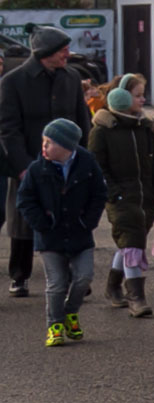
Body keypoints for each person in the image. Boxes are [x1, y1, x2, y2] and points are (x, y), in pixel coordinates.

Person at [0, 27, 91, 299]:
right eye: (62, 49)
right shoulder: (13, 81)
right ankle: (19, 275)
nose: (67, 54)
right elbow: (7, 129)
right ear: (45, 53)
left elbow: (81, 121)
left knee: (68, 218)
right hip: (28, 162)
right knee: (24, 219)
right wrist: (23, 166)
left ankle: (75, 279)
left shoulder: (72, 77)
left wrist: (83, 159)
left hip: (66, 164)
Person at [16, 118, 107, 347]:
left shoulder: (87, 164)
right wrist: (41, 223)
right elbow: (25, 200)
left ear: (66, 146)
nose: (44, 147)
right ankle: (55, 324)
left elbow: (99, 194)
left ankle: (70, 312)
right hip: (50, 236)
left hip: (80, 233)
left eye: (49, 143)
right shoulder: (37, 169)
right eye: (43, 142)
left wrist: (88, 221)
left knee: (84, 277)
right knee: (56, 283)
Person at [87, 74, 154, 319]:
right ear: (120, 97)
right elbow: (97, 167)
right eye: (138, 94)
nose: (143, 99)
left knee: (130, 242)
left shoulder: (147, 130)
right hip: (120, 198)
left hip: (147, 198)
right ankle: (136, 297)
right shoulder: (103, 131)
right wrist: (114, 193)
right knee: (132, 243)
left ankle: (113, 285)